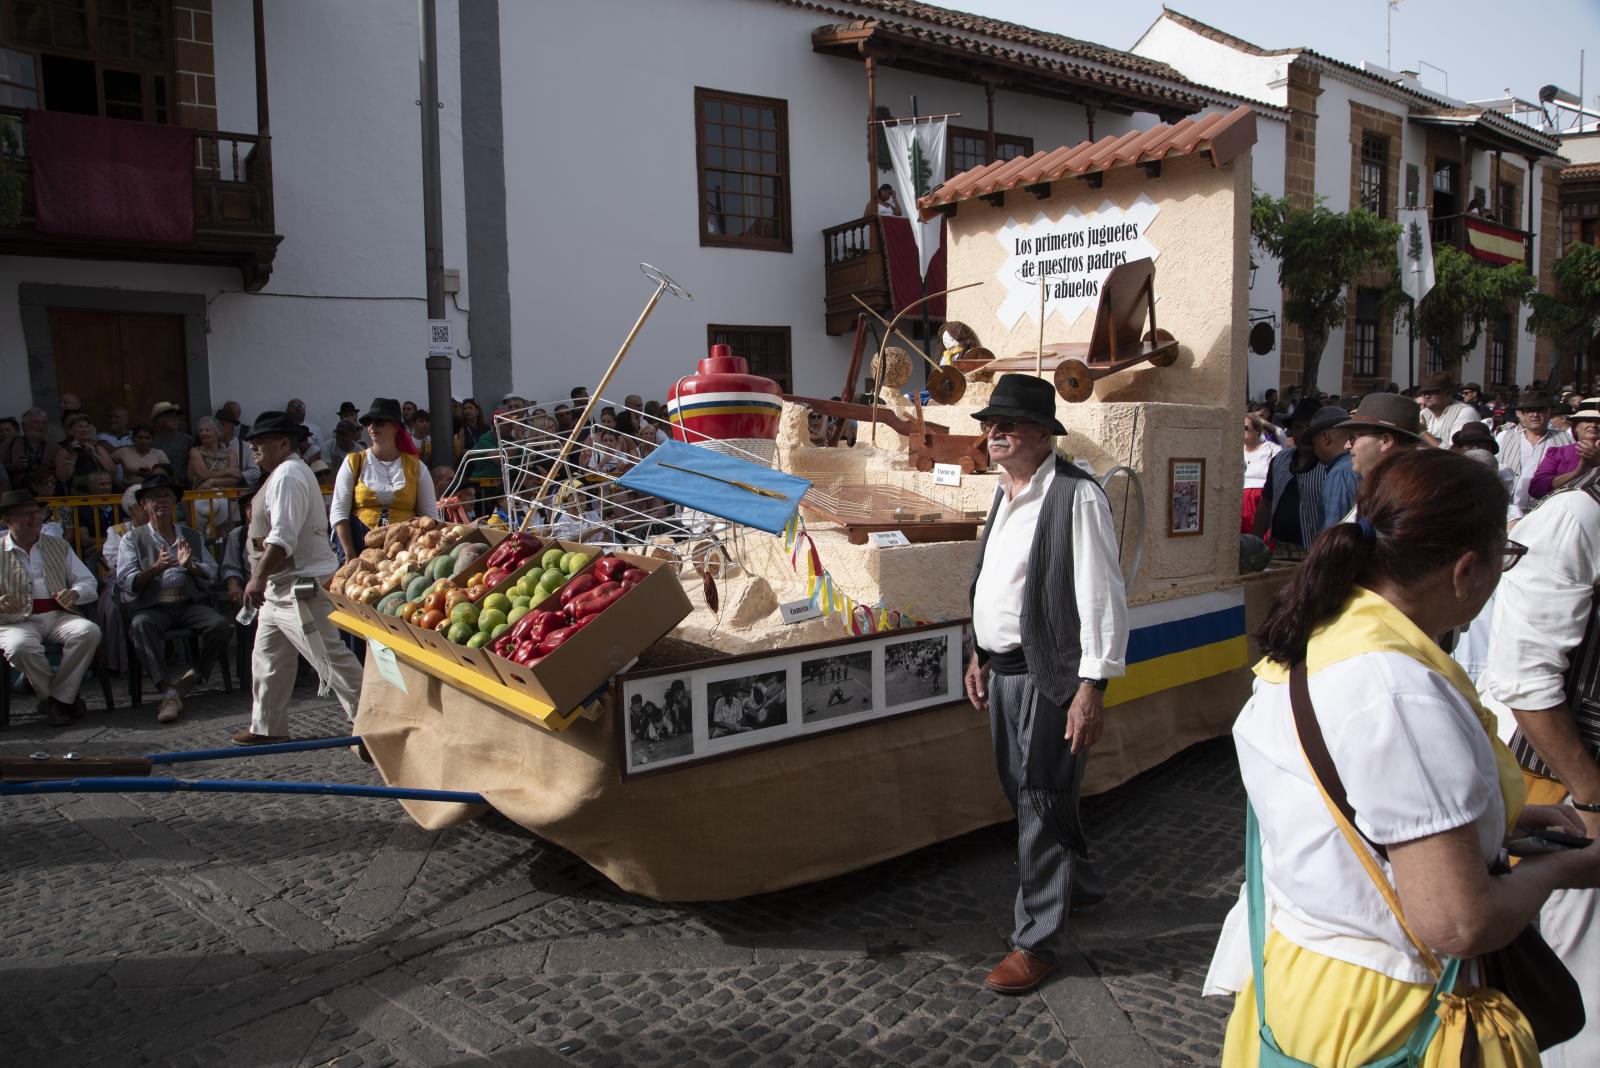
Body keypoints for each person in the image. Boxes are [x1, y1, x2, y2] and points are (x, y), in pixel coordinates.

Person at [1206, 447, 1599, 1065]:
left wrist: (1504, 822)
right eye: (1507, 557)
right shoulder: (1398, 693)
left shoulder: (1326, 638)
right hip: (1384, 1007)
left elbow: (1350, 808)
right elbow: (1460, 923)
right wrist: (1557, 873)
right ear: (1466, 570)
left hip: (1308, 977)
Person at [963, 374, 1128, 995]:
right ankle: (1076, 881)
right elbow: (994, 584)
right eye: (988, 424)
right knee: (1026, 789)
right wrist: (979, 652)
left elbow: (1101, 596)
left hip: (1051, 673)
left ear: (1041, 432)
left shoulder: (1075, 497)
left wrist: (1092, 685)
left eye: (1006, 424)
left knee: (1041, 798)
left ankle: (1039, 940)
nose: (993, 433)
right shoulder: (1005, 493)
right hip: (1003, 672)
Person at [1479, 470, 1600, 1066]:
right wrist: (1592, 797)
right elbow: (1526, 682)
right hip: (1571, 780)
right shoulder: (1577, 517)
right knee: (1573, 974)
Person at [236, 411, 364, 745]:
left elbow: (283, 538)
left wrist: (257, 578)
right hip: (283, 585)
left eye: (260, 442)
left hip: (300, 585)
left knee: (327, 656)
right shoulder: (282, 473)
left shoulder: (289, 474)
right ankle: (267, 727)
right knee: (268, 657)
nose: (254, 449)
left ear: (282, 443)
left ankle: (371, 721)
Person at [116, 474, 230, 724]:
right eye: (155, 498)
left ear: (175, 502)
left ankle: (189, 680)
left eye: (167, 496)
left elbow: (211, 572)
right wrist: (155, 568)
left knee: (220, 625)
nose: (162, 501)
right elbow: (125, 580)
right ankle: (166, 689)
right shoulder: (131, 539)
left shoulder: (191, 534)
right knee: (140, 625)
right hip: (154, 607)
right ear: (144, 505)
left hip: (188, 603)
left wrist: (191, 566)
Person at [0, 489, 101, 726]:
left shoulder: (58, 545)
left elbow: (88, 581)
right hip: (16, 620)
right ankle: (63, 699)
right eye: (27, 514)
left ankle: (55, 700)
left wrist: (74, 592)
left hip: (58, 615)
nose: (36, 518)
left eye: (38, 512)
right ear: (7, 520)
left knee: (89, 631)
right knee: (19, 647)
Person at [330, 398, 438, 564]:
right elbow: (339, 513)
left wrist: (421, 551)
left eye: (379, 422)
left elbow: (429, 517)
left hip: (404, 553)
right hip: (359, 548)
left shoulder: (416, 467)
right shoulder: (353, 461)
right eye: (369, 423)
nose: (372, 427)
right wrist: (349, 554)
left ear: (395, 427)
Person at [1252, 400, 1326, 554]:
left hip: (1316, 550)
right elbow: (1266, 503)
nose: (1304, 433)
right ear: (1291, 430)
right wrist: (1255, 542)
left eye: (1309, 427)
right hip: (1280, 549)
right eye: (1298, 427)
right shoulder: (1280, 459)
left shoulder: (1329, 464)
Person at [96, 483, 147, 676]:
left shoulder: (161, 528)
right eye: (142, 506)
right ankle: (122, 661)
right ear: (132, 509)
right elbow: (113, 561)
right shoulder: (116, 531)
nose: (147, 511)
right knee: (115, 605)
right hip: (121, 579)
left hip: (153, 577)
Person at [1497, 389, 1572, 516]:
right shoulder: (1504, 437)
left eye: (1540, 410)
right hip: (1510, 511)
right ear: (1520, 414)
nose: (1535, 414)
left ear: (1549, 413)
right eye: (1529, 410)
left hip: (1548, 510)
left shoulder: (1565, 439)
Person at [1529, 403, 1600, 500]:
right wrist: (1576, 473)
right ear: (1575, 428)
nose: (1594, 425)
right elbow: (1536, 488)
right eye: (1587, 421)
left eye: (1599, 421)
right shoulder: (1558, 453)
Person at [187, 415, 244, 536]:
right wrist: (227, 471)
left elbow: (234, 479)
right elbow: (202, 474)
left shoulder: (230, 453)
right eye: (201, 430)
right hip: (203, 500)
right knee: (204, 538)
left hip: (227, 501)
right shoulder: (195, 451)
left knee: (226, 537)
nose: (203, 433)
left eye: (207, 430)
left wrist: (212, 481)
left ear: (217, 433)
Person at [1303, 406, 1355, 534]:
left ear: (1326, 438)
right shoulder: (1355, 466)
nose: (1314, 450)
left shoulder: (1340, 473)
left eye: (1314, 443)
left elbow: (1334, 531)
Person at [4, 407, 70, 492]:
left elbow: (63, 475)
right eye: (36, 422)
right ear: (24, 426)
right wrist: (15, 466)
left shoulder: (55, 447)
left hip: (49, 488)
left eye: (43, 423)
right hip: (18, 491)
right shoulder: (9, 445)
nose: (40, 425)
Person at [1416, 371, 1483, 448]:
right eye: (1424, 393)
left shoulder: (1465, 412)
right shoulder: (1423, 413)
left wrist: (1423, 433)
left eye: (1432, 392)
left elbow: (1456, 453)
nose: (1427, 396)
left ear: (1448, 393)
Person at [61, 415, 116, 491]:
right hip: (76, 494)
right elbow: (63, 477)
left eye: (87, 426)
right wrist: (74, 453)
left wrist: (95, 456)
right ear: (70, 431)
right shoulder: (64, 450)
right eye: (80, 427)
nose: (85, 430)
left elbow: (113, 472)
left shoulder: (97, 447)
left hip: (100, 491)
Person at [148, 402, 194, 486]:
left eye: (176, 416)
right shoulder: (150, 442)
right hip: (160, 486)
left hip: (185, 486)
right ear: (159, 420)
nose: (175, 419)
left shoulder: (187, 440)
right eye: (170, 416)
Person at [215, 408, 260, 489]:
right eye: (216, 426)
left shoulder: (247, 447)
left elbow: (255, 472)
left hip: (239, 493)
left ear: (232, 426)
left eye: (222, 424)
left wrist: (238, 477)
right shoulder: (212, 446)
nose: (218, 428)